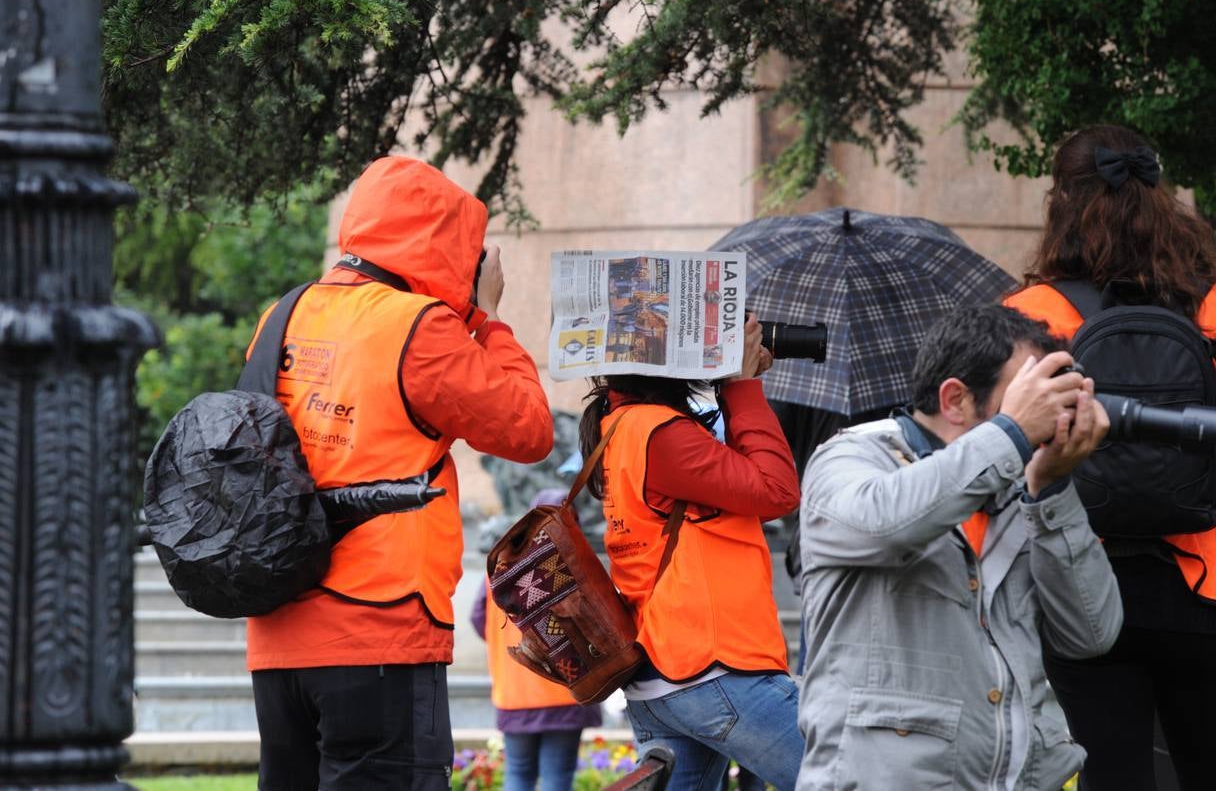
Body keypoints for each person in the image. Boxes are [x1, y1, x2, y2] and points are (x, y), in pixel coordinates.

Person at [244, 156, 555, 789]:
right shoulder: (420, 328)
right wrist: (488, 318)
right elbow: (528, 430)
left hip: (276, 635)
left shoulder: (281, 316)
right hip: (379, 628)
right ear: (441, 244)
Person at [1004, 124, 1216, 791]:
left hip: (1079, 586)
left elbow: (1003, 455)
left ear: (1062, 203)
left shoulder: (1030, 312)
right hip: (1209, 587)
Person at [796, 304, 1122, 790]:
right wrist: (1011, 434)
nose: (1045, 418)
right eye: (1028, 399)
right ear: (955, 400)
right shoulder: (853, 457)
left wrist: (1050, 491)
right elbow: (884, 523)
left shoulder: (1022, 484)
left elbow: (1091, 632)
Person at [577, 315, 804, 791]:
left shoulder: (620, 424)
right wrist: (741, 386)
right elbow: (777, 490)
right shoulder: (662, 434)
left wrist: (732, 384)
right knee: (847, 776)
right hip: (714, 669)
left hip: (663, 675)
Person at [471, 489, 603, 791]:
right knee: (557, 779)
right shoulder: (576, 565)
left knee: (518, 775)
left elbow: (479, 619)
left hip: (514, 691)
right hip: (567, 689)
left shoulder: (500, 566)